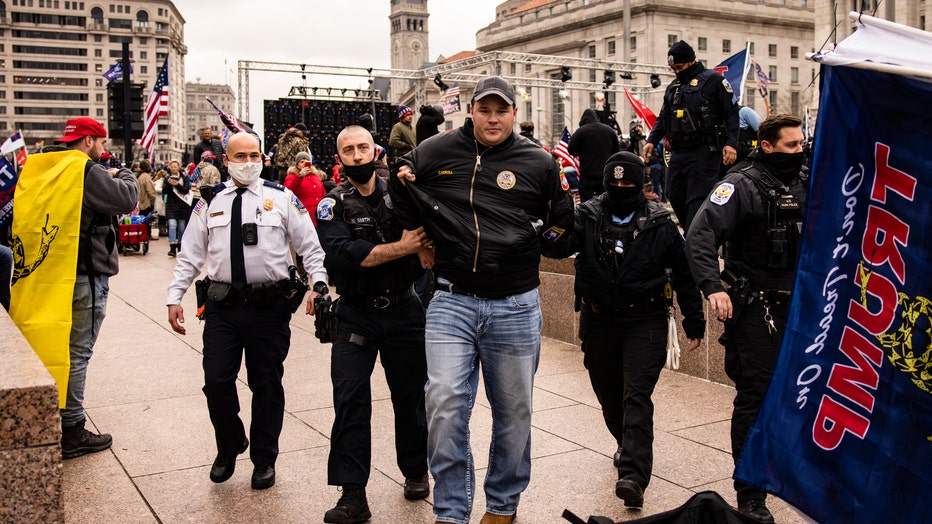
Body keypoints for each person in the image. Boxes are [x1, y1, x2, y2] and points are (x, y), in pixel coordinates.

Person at [389, 75, 575, 524]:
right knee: (445, 402)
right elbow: (399, 192)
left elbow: (563, 226)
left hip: (515, 303)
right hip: (451, 299)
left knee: (514, 411)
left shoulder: (539, 162)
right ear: (470, 110)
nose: (493, 118)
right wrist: (420, 237)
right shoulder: (435, 150)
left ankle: (502, 507)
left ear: (514, 113)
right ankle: (451, 511)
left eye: (501, 110)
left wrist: (532, 243)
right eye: (484, 110)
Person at [166, 132, 328, 490]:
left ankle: (264, 459)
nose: (249, 161)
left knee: (266, 384)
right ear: (226, 161)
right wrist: (174, 295)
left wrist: (318, 283)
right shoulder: (209, 201)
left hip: (269, 308)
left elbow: (309, 247)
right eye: (240, 156)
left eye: (255, 155)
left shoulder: (282, 197)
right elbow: (191, 254)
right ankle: (230, 442)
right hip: (223, 307)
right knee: (216, 381)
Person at [685, 114, 808, 524]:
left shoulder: (811, 179)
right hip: (758, 309)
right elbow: (700, 235)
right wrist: (712, 287)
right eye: (791, 145)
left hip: (806, 308)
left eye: (802, 143)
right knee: (754, 400)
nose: (800, 151)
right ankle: (751, 492)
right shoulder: (739, 184)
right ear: (767, 145)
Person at [566, 151, 704, 509]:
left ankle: (633, 474)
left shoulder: (660, 222)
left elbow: (685, 273)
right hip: (598, 320)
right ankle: (625, 443)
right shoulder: (588, 215)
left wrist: (694, 319)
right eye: (616, 181)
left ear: (641, 183)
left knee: (636, 395)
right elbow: (560, 244)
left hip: (646, 318)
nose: (622, 187)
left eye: (629, 182)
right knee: (608, 394)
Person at [314, 125, 432, 524]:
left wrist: (417, 249)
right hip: (355, 312)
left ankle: (416, 471)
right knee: (349, 401)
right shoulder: (331, 205)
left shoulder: (401, 192)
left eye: (364, 147)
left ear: (375, 149)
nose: (358, 155)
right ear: (340, 158)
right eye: (349, 150)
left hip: (403, 310)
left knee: (411, 398)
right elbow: (346, 255)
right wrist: (402, 248)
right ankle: (352, 495)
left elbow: (429, 235)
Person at [13, 117, 138, 458]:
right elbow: (126, 200)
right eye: (101, 144)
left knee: (52, 347)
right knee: (77, 352)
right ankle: (72, 430)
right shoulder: (86, 170)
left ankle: (48, 418)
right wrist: (123, 172)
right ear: (87, 142)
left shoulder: (40, 167)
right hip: (84, 275)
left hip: (46, 273)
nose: (103, 150)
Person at [643, 40, 739, 233]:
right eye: (673, 68)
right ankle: (693, 233)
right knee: (674, 193)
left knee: (697, 197)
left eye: (679, 67)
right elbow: (663, 117)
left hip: (704, 151)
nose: (677, 71)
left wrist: (731, 144)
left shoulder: (714, 81)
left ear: (691, 61)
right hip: (679, 151)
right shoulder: (674, 86)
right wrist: (652, 140)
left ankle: (695, 238)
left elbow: (731, 113)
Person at [568, 108, 620, 203]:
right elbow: (616, 152)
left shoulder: (580, 132)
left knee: (586, 205)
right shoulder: (609, 131)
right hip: (605, 174)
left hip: (587, 175)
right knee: (605, 203)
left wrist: (582, 150)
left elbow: (571, 150)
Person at [283, 151, 326, 226]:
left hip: (318, 216)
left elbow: (323, 194)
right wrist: (300, 176)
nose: (304, 163)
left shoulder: (315, 176)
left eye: (307, 161)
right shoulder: (292, 176)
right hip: (303, 215)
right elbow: (288, 191)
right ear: (297, 164)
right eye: (302, 162)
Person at [164, 160, 192, 257]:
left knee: (181, 228)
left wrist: (177, 185)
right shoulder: (167, 178)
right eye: (171, 167)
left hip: (182, 205)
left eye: (175, 167)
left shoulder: (185, 177)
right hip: (171, 205)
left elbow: (186, 190)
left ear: (179, 168)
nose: (173, 169)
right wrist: (169, 184)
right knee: (172, 225)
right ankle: (172, 245)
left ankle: (180, 246)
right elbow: (164, 191)